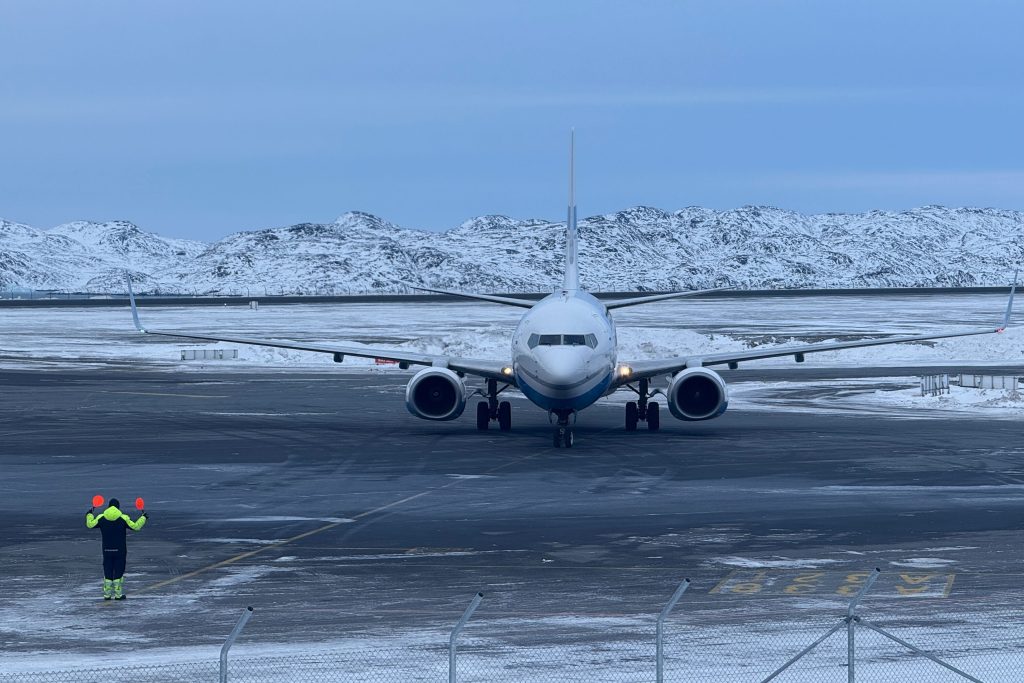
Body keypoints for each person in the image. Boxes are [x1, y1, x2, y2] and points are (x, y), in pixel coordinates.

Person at [85, 498, 147, 600]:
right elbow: (136, 526)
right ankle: (118, 595)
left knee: (107, 570)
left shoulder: (102, 518)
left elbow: (90, 524)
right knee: (119, 570)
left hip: (106, 550)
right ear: (118, 507)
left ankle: (107, 594)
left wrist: (89, 514)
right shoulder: (123, 518)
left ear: (109, 506)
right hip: (120, 550)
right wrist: (143, 518)